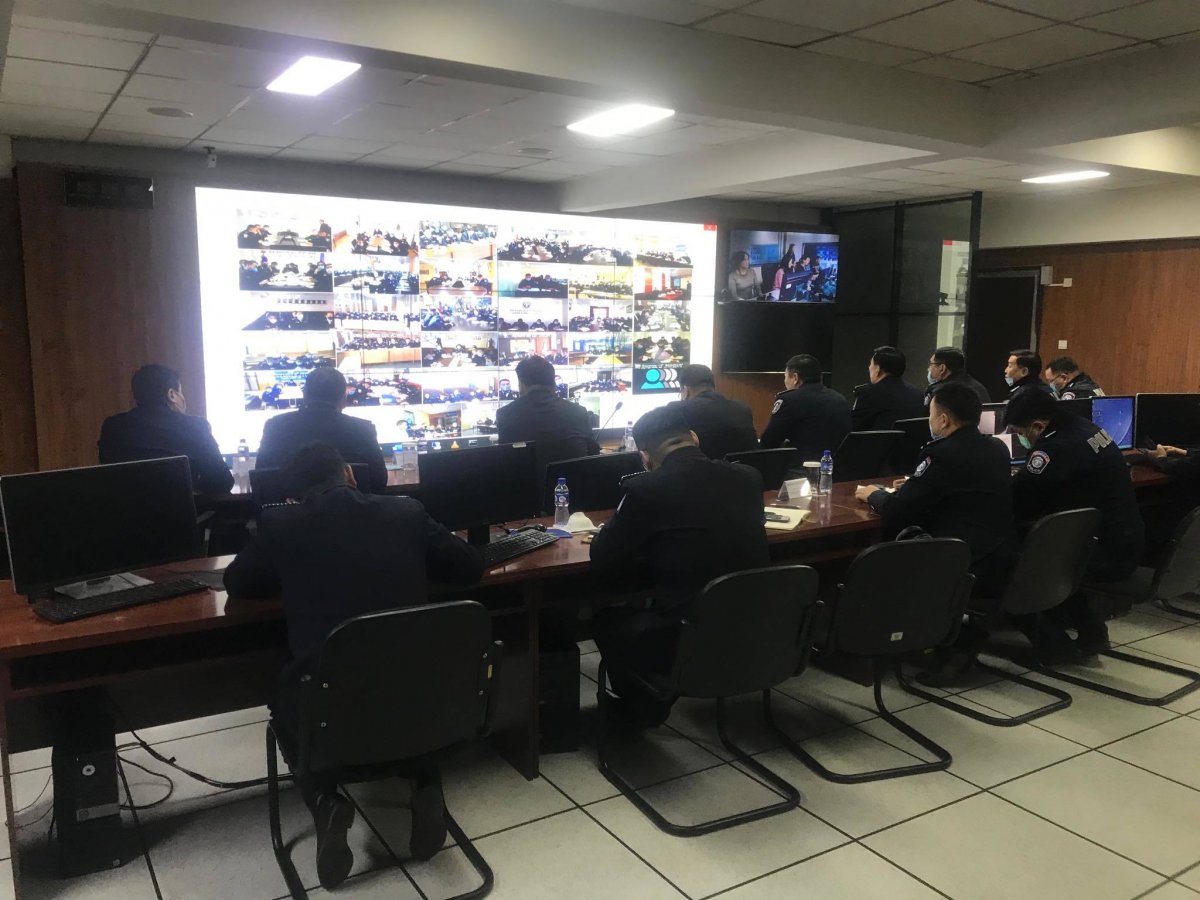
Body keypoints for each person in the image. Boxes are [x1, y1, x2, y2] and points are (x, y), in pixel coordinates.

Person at [223, 444, 484, 888]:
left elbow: (239, 583)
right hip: (424, 693)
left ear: (295, 493)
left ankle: (326, 800)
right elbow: (469, 568)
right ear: (349, 473)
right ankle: (425, 785)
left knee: (282, 694)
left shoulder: (281, 523)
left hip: (329, 703)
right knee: (404, 689)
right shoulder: (406, 512)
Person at [589, 407, 769, 725]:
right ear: (694, 438)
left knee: (605, 619)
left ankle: (643, 710)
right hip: (754, 625)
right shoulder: (749, 477)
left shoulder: (646, 489)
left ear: (644, 456)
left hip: (683, 635)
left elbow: (604, 557)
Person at [855, 382, 1016, 684]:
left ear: (943, 420)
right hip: (995, 554)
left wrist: (872, 494)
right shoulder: (996, 448)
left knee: (874, 556)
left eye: (931, 415)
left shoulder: (941, 454)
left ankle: (874, 645)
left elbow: (897, 509)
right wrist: (918, 484)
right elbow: (960, 488)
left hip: (957, 560)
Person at [1006, 388, 1145, 660]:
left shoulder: (1054, 448)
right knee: (1052, 543)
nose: (1022, 439)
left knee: (1013, 560)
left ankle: (1054, 645)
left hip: (1101, 556)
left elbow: (1021, 500)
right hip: (1123, 543)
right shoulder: (1085, 428)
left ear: (1038, 426)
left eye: (1020, 432)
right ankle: (1091, 631)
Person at [98, 364, 233, 495]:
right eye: (181, 392)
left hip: (127, 510)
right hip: (182, 510)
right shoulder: (194, 426)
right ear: (172, 395)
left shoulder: (113, 427)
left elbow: (108, 477)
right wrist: (194, 486)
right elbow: (222, 482)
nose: (183, 399)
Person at [256, 368, 389, 493]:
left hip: (291, 509)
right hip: (350, 509)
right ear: (344, 398)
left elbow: (261, 480)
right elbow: (379, 482)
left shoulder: (275, 426)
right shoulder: (363, 429)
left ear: (305, 395)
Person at [496, 354, 598, 459]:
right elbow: (593, 453)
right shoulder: (578, 411)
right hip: (572, 470)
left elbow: (505, 458)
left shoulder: (504, 415)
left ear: (521, 384)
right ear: (553, 383)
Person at [759, 354, 851, 463]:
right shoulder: (840, 399)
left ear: (795, 378)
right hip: (839, 467)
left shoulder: (788, 400)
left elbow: (769, 442)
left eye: (785, 377)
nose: (785, 381)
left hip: (803, 468)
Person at [667, 364, 758, 461]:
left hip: (704, 470)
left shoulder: (677, 410)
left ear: (686, 391)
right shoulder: (742, 408)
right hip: (747, 469)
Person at [851, 346, 926, 430]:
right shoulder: (919, 395)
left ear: (878, 369)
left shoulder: (867, 393)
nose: (869, 368)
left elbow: (854, 429)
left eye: (871, 364)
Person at [924, 346, 991, 406]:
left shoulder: (940, 392)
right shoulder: (978, 387)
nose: (928, 369)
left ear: (942, 368)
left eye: (931, 364)